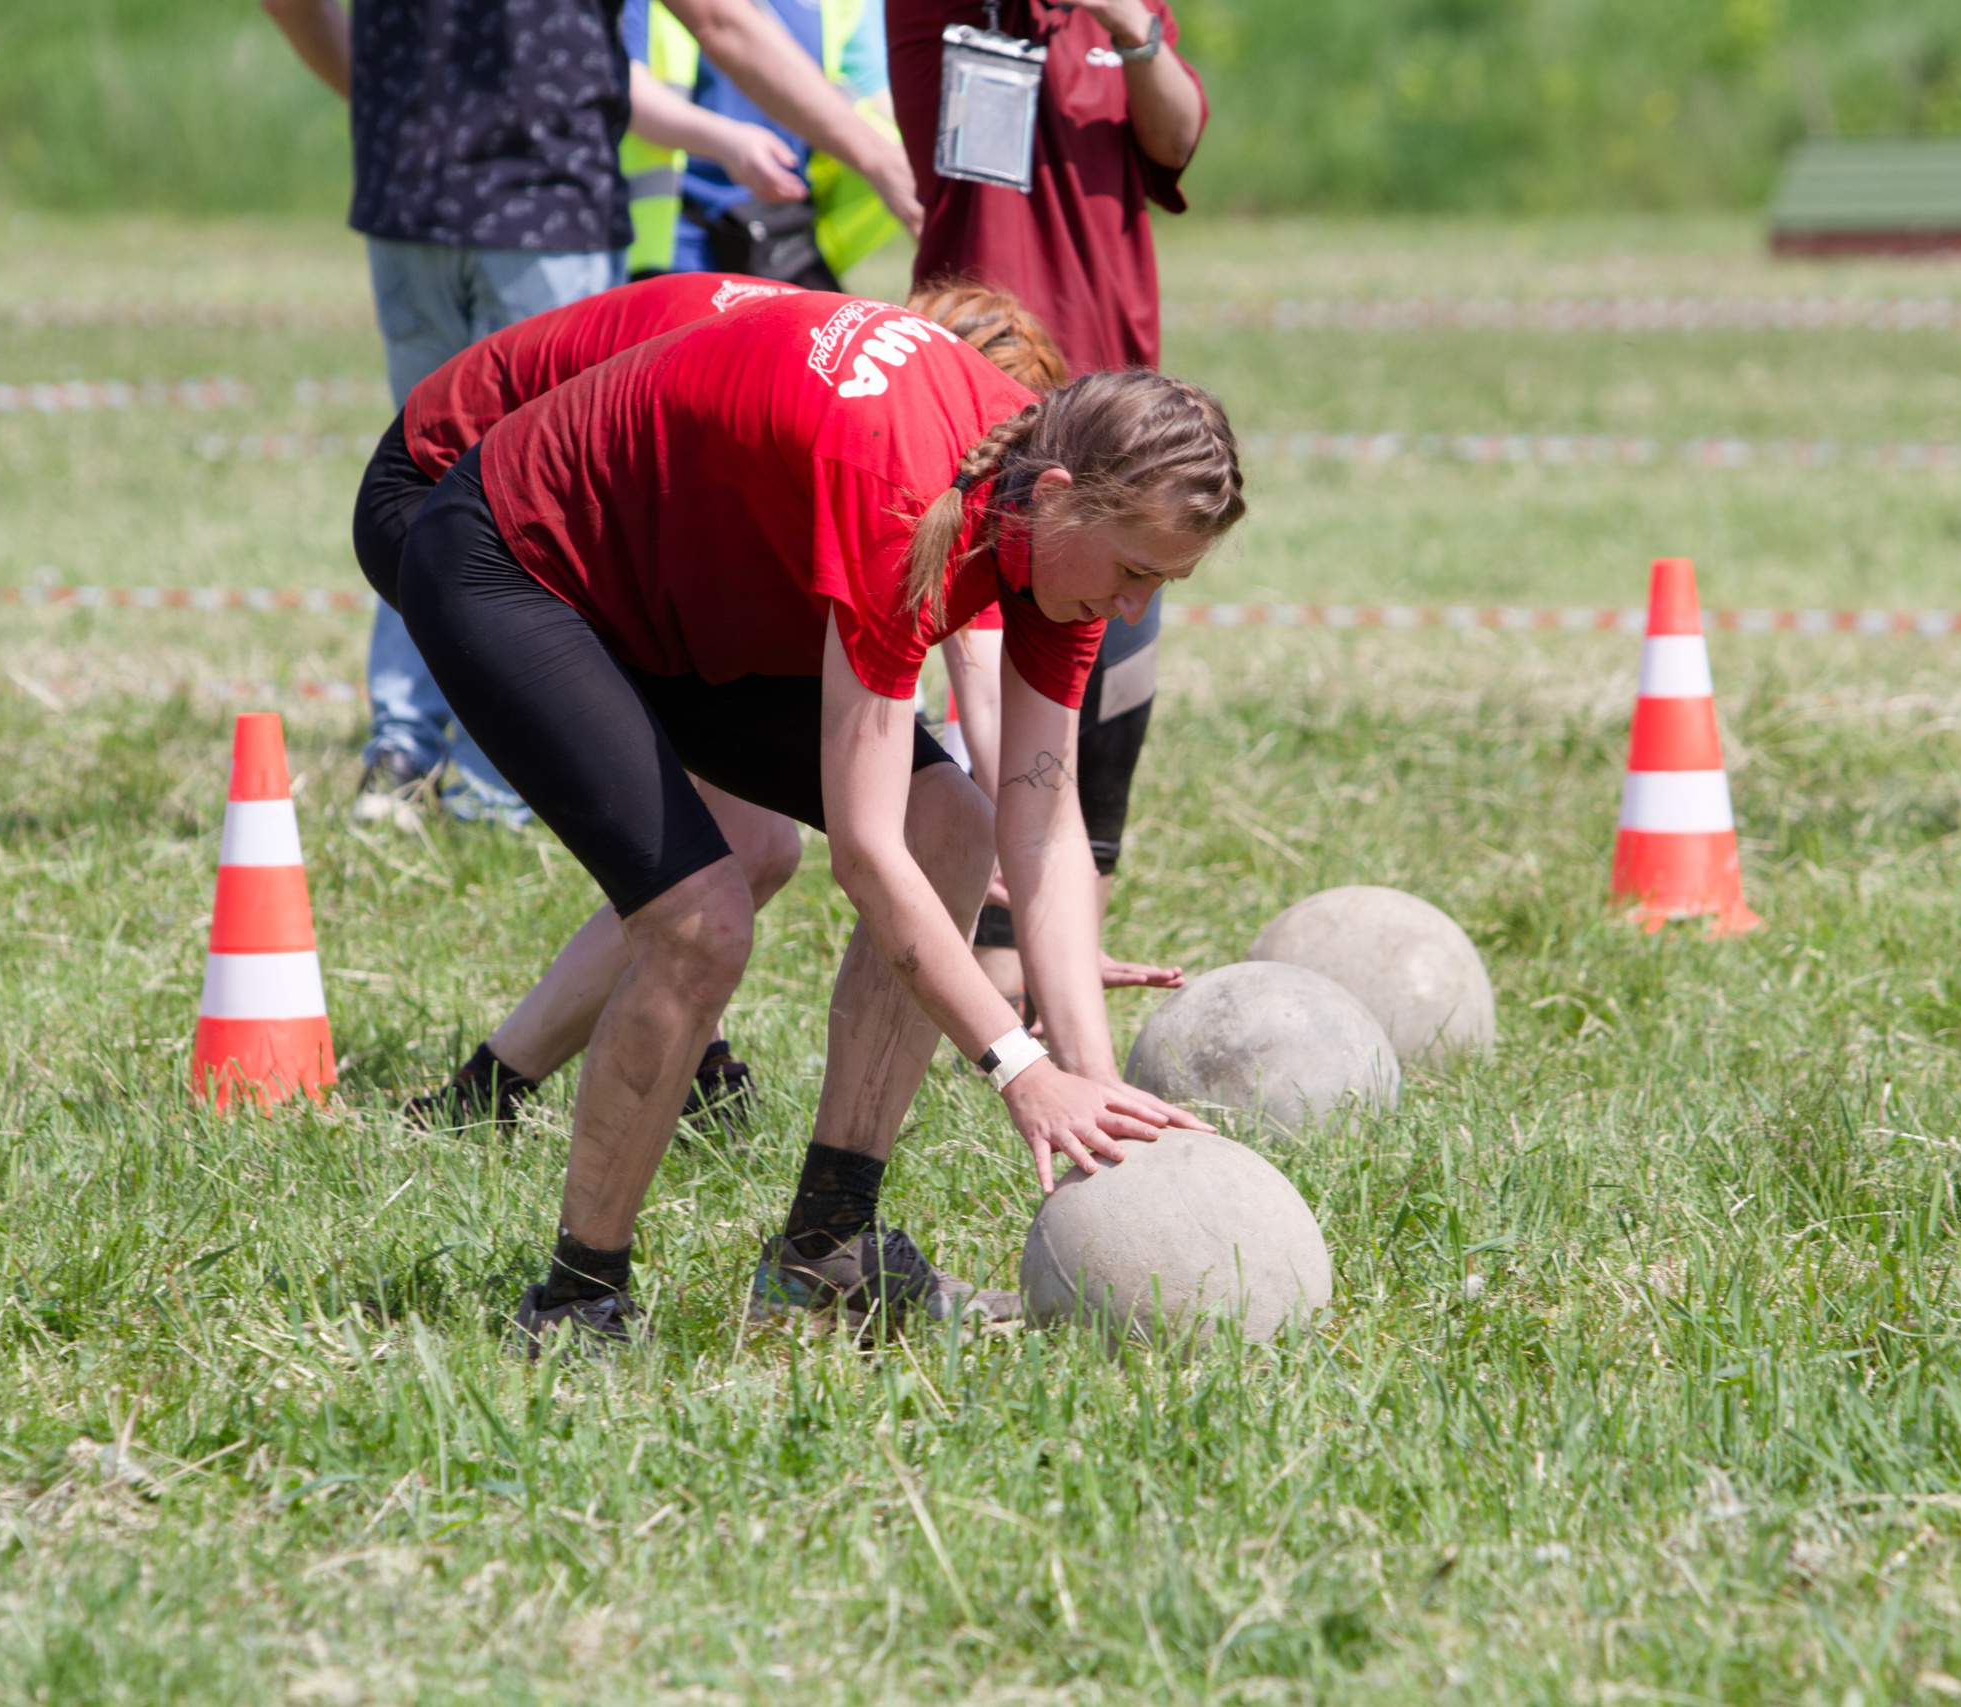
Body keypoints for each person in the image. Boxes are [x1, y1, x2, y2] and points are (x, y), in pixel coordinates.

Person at [390, 289, 1244, 1345]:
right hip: (519, 564)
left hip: (683, 602)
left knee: (955, 827)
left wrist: (1095, 1087)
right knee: (701, 920)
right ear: (1061, 497)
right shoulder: (906, 498)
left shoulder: (1050, 533)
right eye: (1133, 573)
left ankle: (826, 1248)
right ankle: (578, 1300)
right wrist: (1021, 1071)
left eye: (1163, 583)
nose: (1134, 610)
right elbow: (866, 854)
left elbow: (1041, 824)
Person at [368, 277, 1072, 1130]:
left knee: (754, 847)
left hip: (603, 519)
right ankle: (546, 1082)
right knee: (735, 856)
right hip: (449, 493)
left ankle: (489, 1093)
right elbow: (973, 679)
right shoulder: (869, 426)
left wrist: (1054, 933)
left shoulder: (877, 400)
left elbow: (989, 699)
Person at [259, 0, 923, 827]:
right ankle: (500, 778)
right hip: (542, 208)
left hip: (410, 199)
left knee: (426, 472)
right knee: (530, 502)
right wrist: (880, 160)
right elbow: (721, 20)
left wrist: (391, 105)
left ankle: (405, 747)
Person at [888, 0, 1207, 1005]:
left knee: (1106, 703)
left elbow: (1177, 139)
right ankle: (991, 990)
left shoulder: (1120, 16)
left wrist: (1131, 26)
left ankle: (1056, 981)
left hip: (1117, 400)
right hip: (993, 383)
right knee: (987, 697)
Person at [620, 0, 904, 288]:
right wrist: (725, 141)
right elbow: (624, 84)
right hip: (681, 234)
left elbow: (874, 91)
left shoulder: (843, 6)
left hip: (785, 222)